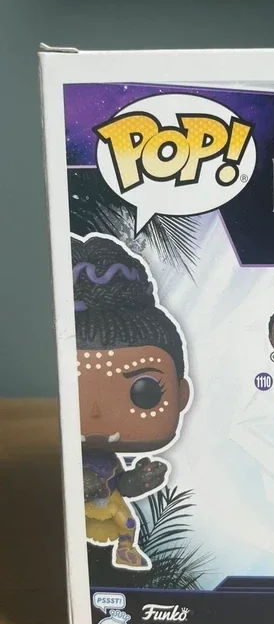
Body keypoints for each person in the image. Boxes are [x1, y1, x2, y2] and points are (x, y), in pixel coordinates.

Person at [73, 234, 191, 569]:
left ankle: (125, 548)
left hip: (109, 503)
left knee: (126, 522)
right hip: (65, 513)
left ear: (181, 394)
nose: (96, 414)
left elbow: (123, 485)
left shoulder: (110, 464)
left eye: (144, 392)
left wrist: (139, 480)